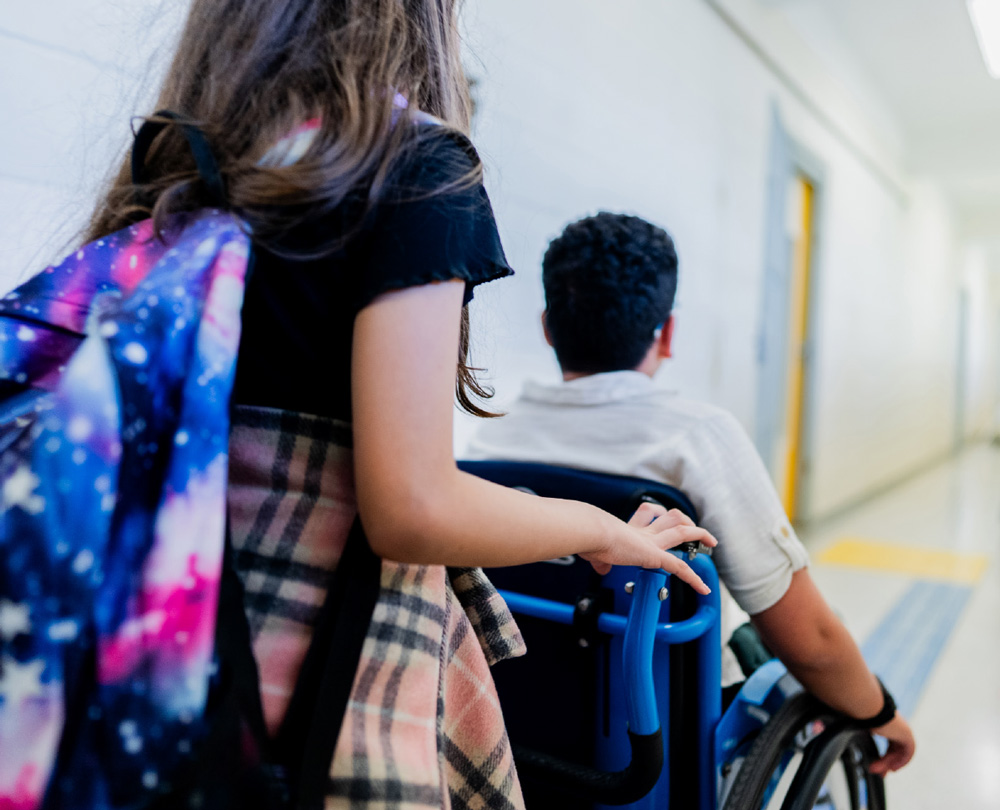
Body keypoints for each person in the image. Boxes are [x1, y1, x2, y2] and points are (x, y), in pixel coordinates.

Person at [83, 5, 718, 808]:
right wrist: (603, 531)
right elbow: (410, 505)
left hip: (134, 640)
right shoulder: (412, 168)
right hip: (306, 680)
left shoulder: (174, 165)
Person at [465, 212, 915, 776]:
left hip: (514, 727)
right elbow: (813, 640)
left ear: (548, 327)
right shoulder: (697, 439)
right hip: (652, 743)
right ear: (667, 333)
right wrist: (882, 713)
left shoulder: (487, 441)